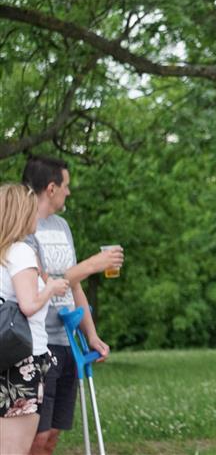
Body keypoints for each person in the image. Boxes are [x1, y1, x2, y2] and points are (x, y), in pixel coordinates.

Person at [21, 156, 123, 455]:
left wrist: (91, 335)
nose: (69, 192)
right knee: (36, 436)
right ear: (51, 188)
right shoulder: (23, 228)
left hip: (68, 340)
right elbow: (41, 283)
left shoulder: (62, 226)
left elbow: (74, 284)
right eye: (65, 185)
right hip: (38, 343)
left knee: (53, 434)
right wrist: (91, 265)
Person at [0, 184, 68, 455]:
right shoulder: (20, 252)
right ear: (21, 214)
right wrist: (50, 288)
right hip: (23, 361)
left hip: (4, 358)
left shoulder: (3, 253)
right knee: (13, 449)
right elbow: (28, 305)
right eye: (32, 210)